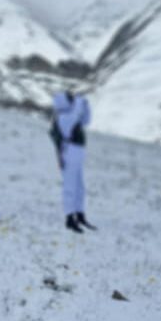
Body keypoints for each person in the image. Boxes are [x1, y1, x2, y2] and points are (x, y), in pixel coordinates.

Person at [51, 90, 95, 233]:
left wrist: (86, 106)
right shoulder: (63, 118)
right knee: (70, 187)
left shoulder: (70, 115)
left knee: (79, 186)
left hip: (77, 153)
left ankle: (80, 213)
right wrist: (78, 102)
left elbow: (86, 120)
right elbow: (75, 116)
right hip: (69, 152)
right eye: (69, 99)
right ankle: (69, 217)